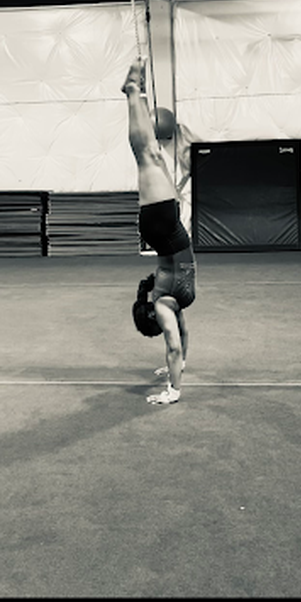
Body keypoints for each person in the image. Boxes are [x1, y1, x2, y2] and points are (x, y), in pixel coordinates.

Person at [122, 61, 196, 404]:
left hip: (162, 224)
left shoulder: (169, 303)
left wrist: (173, 389)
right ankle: (135, 93)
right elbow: (179, 338)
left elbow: (175, 343)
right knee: (151, 155)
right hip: (167, 225)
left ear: (153, 314)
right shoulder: (169, 303)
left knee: (146, 156)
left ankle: (133, 93)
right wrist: (176, 369)